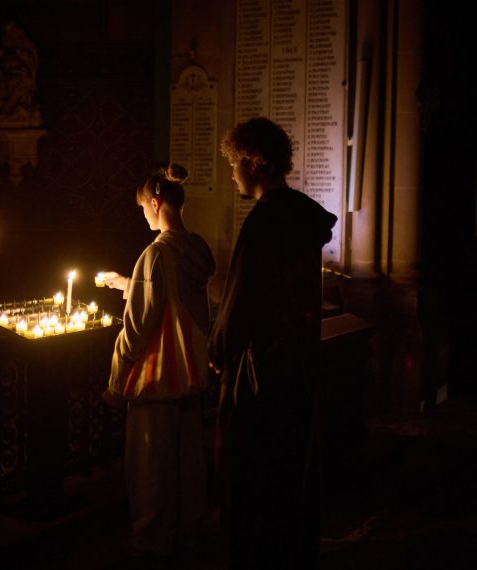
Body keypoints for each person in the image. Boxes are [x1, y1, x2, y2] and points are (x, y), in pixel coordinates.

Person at [208, 117, 337, 568]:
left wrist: (219, 349)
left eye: (232, 164)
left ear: (252, 162)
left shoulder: (266, 219)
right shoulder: (301, 213)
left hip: (262, 371)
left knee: (254, 476)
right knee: (290, 476)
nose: (231, 175)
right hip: (298, 365)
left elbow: (243, 294)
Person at [101, 163, 216, 558]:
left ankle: (150, 545)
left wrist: (117, 380)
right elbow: (177, 297)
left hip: (156, 377)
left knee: (150, 469)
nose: (143, 214)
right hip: (191, 374)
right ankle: (189, 537)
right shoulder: (197, 248)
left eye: (143, 207)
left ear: (155, 202)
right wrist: (126, 284)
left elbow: (138, 326)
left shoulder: (154, 254)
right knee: (189, 465)